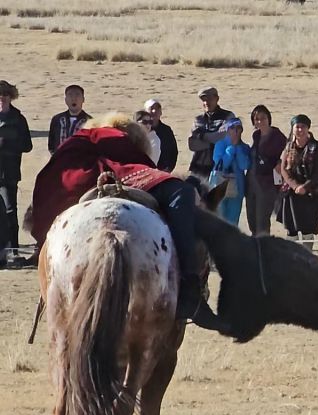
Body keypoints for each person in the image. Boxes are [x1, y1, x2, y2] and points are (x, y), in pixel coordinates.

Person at [29, 113, 226, 331]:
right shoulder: (118, 138)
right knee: (182, 192)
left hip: (71, 186)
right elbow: (135, 159)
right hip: (118, 173)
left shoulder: (75, 144)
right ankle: (190, 291)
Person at [278, 114, 318, 251]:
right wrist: (295, 186)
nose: (300, 130)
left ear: (308, 128)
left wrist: (305, 187)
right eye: (297, 127)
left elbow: (317, 171)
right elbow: (283, 170)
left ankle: (307, 255)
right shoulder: (288, 147)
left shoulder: (316, 146)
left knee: (308, 228)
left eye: (303, 127)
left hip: (311, 192)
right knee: (291, 228)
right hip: (292, 193)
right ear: (292, 129)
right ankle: (291, 256)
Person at [0, 80, 33, 268]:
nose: (2, 98)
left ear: (11, 97)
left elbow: (27, 145)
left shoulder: (18, 119)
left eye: (5, 94)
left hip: (9, 173)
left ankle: (13, 251)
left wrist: (7, 143)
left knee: (10, 211)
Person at [246, 104, 287, 236]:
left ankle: (264, 249)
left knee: (262, 220)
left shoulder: (277, 136)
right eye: (256, 119)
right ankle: (255, 248)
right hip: (252, 182)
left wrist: (280, 162)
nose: (260, 121)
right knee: (251, 218)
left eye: (263, 118)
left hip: (267, 184)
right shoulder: (256, 136)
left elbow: (288, 152)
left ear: (269, 118)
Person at [211, 117, 251, 226]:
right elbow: (222, 164)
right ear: (227, 130)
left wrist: (238, 149)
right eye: (232, 127)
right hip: (219, 186)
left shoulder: (245, 147)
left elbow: (244, 165)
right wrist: (231, 148)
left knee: (232, 222)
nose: (236, 130)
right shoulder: (220, 145)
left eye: (238, 128)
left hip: (237, 189)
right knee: (219, 221)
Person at [187, 86, 235, 179]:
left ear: (217, 99)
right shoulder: (198, 120)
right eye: (203, 100)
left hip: (221, 168)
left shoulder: (228, 116)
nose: (206, 103)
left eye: (209, 99)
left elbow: (222, 137)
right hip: (198, 167)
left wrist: (201, 135)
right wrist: (212, 142)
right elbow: (192, 144)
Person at [47, 84, 91, 154]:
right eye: (70, 95)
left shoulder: (90, 122)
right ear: (66, 100)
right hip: (60, 160)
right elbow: (51, 143)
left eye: (77, 95)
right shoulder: (57, 119)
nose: (74, 98)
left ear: (83, 99)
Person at [145, 99, 178, 172]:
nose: (154, 111)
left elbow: (173, 151)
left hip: (163, 172)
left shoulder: (166, 130)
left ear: (160, 112)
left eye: (157, 109)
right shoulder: (141, 130)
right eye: (151, 109)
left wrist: (169, 169)